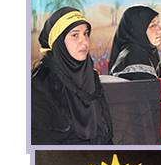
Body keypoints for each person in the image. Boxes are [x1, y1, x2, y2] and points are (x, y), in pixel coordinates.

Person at [31, 8, 113, 145]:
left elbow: (101, 129)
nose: (84, 41)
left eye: (86, 33)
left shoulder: (89, 75)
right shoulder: (41, 83)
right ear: (58, 41)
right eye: (75, 35)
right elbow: (37, 138)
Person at [108, 5, 161, 80]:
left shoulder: (148, 51)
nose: (160, 30)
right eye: (153, 26)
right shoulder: (136, 55)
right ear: (138, 30)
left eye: (157, 24)